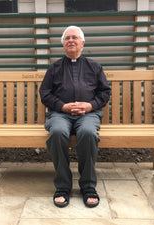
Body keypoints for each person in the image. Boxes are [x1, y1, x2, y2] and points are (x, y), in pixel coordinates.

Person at [39, 26, 111, 208]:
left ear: (82, 43)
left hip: (88, 114)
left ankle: (88, 186)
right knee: (56, 132)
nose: (71, 40)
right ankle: (63, 186)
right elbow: (45, 93)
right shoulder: (54, 68)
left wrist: (89, 105)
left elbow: (104, 93)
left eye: (75, 37)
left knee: (88, 133)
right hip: (60, 114)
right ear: (63, 44)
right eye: (67, 38)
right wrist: (62, 106)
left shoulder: (94, 67)